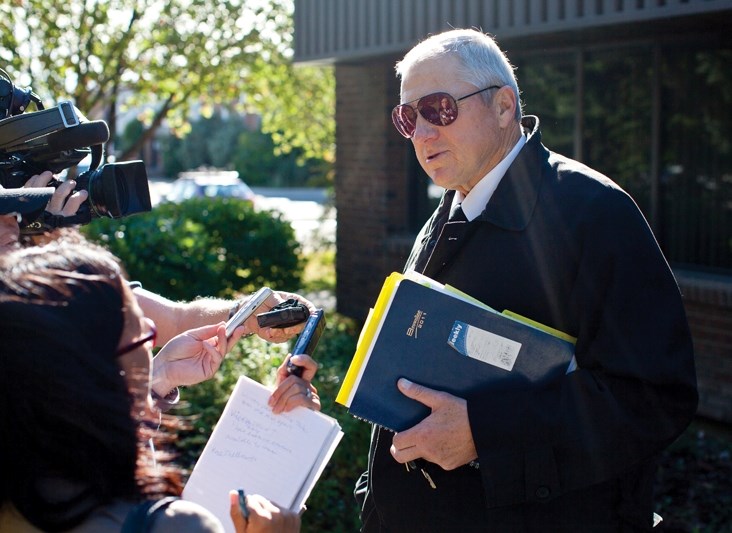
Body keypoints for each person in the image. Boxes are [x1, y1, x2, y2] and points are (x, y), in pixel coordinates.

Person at [355, 28, 698, 532]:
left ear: (503, 106)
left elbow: (653, 397)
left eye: (439, 108)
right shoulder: (444, 214)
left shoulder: (594, 212)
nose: (421, 133)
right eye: (408, 118)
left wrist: (484, 433)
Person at [0, 239, 303, 532]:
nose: (153, 329)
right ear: (94, 367)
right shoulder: (174, 525)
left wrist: (158, 378)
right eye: (140, 331)